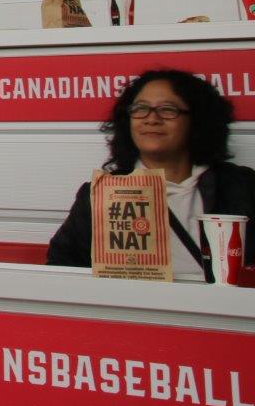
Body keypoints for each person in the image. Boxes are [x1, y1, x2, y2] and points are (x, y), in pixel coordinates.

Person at [46, 70, 255, 277]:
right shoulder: (100, 194)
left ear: (197, 120)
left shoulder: (240, 185)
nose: (151, 118)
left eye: (167, 109)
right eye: (140, 108)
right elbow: (62, 267)